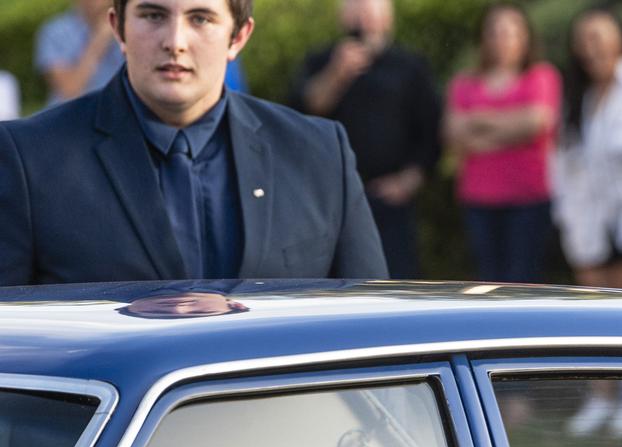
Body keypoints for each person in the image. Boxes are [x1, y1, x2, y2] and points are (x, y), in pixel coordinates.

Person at [0, 0, 388, 286]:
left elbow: (373, 332)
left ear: (238, 37)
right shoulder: (30, 158)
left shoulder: (319, 153)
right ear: (118, 28)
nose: (175, 41)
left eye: (200, 18)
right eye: (153, 16)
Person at [292, 0, 442, 279]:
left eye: (373, 13)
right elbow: (302, 114)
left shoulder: (410, 66)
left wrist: (409, 181)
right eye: (358, 11)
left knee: (395, 280)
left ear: (388, 19)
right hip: (333, 199)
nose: (366, 21)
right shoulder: (322, 61)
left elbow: (430, 130)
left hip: (390, 199)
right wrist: (338, 72)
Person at [445, 3, 561, 284]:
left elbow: (536, 123)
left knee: (523, 278)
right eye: (494, 33)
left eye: (510, 33)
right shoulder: (464, 83)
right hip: (479, 197)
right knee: (487, 279)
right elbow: (453, 132)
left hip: (527, 195)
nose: (502, 40)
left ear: (525, 38)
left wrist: (479, 119)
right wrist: (512, 130)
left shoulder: (541, 76)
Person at [554, 7, 622, 290]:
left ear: (619, 38)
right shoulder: (579, 97)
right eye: (583, 41)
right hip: (592, 232)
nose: (591, 48)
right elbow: (565, 170)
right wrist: (571, 228)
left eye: (597, 38)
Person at [35, 0, 125, 106]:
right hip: (72, 117)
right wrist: (100, 40)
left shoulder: (128, 27)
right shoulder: (55, 31)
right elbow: (69, 91)